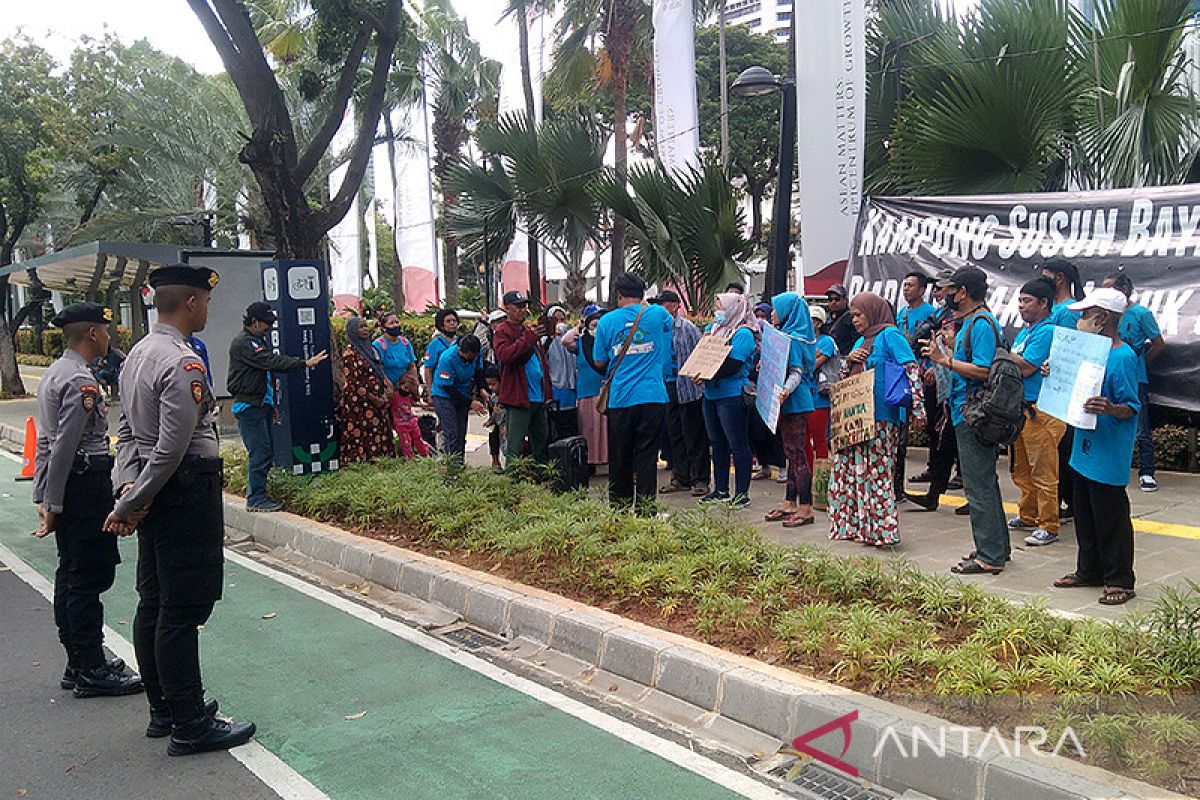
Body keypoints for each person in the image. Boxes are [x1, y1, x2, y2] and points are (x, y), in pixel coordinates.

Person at [104, 264, 256, 755]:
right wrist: (133, 500)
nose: (209, 309)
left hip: (155, 490)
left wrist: (129, 488)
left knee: (155, 600)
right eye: (207, 301)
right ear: (191, 302)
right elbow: (172, 448)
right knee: (182, 609)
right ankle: (189, 721)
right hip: (185, 489)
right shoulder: (182, 361)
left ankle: (164, 709)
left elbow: (128, 435)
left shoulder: (137, 356)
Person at [33, 303, 143, 699]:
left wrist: (44, 496)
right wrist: (55, 503)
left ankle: (77, 660)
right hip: (84, 483)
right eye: (106, 331)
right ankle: (91, 667)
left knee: (72, 573)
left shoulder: (56, 373)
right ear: (94, 333)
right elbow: (63, 447)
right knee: (87, 578)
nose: (110, 338)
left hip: (70, 484)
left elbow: (46, 447)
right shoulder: (80, 383)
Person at [1050, 287, 1141, 605]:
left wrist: (1110, 408)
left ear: (1102, 318)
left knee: (1111, 516)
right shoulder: (1089, 352)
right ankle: (1088, 570)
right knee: (1085, 513)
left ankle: (1120, 580)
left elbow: (1131, 406)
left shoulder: (1123, 357)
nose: (1080, 319)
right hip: (1083, 448)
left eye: (1086, 314)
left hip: (1107, 451)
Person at [922, 266, 1009, 574]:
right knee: (985, 482)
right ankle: (997, 547)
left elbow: (984, 370)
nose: (945, 294)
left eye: (951, 289)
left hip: (973, 414)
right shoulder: (971, 322)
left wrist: (945, 361)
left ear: (963, 292)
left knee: (978, 485)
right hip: (967, 410)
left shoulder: (981, 323)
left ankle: (989, 556)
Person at [828, 292, 922, 546]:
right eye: (853, 316)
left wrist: (918, 409)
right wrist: (850, 361)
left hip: (881, 416)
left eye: (859, 315)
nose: (855, 320)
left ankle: (882, 531)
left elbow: (911, 368)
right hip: (856, 417)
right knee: (853, 471)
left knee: (877, 473)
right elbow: (845, 378)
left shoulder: (890, 335)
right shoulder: (861, 341)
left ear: (873, 312)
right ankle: (859, 527)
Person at [227, 302, 328, 512]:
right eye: (266, 323)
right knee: (260, 453)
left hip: (260, 404)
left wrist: (271, 405)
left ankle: (259, 493)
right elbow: (271, 362)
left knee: (264, 452)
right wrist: (304, 364)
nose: (270, 327)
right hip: (249, 407)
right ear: (254, 322)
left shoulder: (256, 340)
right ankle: (256, 498)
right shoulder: (245, 343)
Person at [592, 273, 673, 507]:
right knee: (647, 457)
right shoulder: (657, 314)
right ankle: (646, 511)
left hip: (620, 400)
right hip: (653, 397)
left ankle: (620, 509)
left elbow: (598, 362)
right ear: (643, 293)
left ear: (618, 294)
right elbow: (670, 324)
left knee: (620, 458)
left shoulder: (607, 321)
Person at [1005, 277, 1065, 546]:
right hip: (1022, 408)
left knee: (1043, 470)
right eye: (1019, 301)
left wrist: (1004, 354)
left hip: (1041, 410)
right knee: (1021, 469)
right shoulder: (1026, 332)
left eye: (1027, 301)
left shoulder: (1047, 330)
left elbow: (1027, 366)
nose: (1021, 306)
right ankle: (1028, 514)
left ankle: (1048, 524)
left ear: (1044, 303)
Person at [1103, 272, 1166, 492]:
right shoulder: (1104, 315)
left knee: (1141, 426)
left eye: (1109, 289)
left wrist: (1138, 363)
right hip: (1107, 374)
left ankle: (1147, 471)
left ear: (1123, 290)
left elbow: (1158, 344)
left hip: (1135, 378)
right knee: (1109, 420)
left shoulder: (1141, 314)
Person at [906, 270, 964, 507]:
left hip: (964, 392)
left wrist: (941, 362)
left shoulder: (975, 319)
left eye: (942, 288)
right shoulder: (942, 314)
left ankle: (977, 499)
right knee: (942, 441)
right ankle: (933, 495)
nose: (938, 293)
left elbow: (969, 358)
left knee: (963, 447)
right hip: (947, 391)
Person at [697, 292, 758, 509]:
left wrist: (705, 373)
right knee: (717, 443)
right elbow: (701, 355)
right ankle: (721, 489)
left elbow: (733, 364)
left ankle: (742, 493)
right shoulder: (712, 330)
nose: (717, 311)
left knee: (738, 444)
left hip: (732, 395)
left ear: (733, 308)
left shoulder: (743, 334)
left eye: (720, 307)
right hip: (711, 394)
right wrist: (698, 369)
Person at [764, 292, 817, 527]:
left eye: (776, 309)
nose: (773, 313)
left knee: (797, 456)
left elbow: (797, 372)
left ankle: (805, 508)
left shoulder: (793, 340)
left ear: (787, 312)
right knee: (791, 455)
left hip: (794, 402)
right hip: (792, 402)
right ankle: (789, 504)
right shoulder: (795, 337)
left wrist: (785, 390)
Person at [655, 290, 710, 497]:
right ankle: (681, 477)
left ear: (675, 305)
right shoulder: (658, 329)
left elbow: (700, 353)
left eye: (664, 304)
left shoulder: (687, 328)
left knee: (694, 434)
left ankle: (700, 479)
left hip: (688, 387)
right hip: (666, 386)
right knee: (674, 434)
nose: (661, 308)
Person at [1044, 257, 1084, 521]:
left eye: (1045, 275)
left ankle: (1065, 500)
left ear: (1058, 278)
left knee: (1061, 447)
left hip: (1063, 390)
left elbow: (1069, 352)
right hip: (1052, 388)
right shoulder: (1057, 309)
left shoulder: (1068, 311)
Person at [492, 290, 552, 464]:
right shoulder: (502, 331)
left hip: (537, 396)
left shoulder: (527, 330)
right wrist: (529, 338)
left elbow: (542, 364)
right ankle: (514, 481)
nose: (523, 310)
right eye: (518, 306)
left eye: (524, 306)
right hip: (519, 397)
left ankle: (540, 476)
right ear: (507, 309)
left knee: (541, 441)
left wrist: (547, 393)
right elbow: (505, 355)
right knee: (515, 444)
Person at [337, 317, 396, 463]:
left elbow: (379, 372)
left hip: (378, 401)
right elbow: (354, 382)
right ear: (353, 331)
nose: (365, 329)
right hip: (360, 405)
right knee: (362, 436)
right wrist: (374, 399)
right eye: (361, 327)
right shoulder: (350, 355)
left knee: (379, 433)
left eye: (365, 326)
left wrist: (384, 392)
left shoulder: (371, 349)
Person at [562, 308, 608, 468]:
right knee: (588, 429)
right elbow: (565, 341)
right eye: (593, 325)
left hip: (604, 393)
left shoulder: (606, 344)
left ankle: (607, 460)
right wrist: (579, 327)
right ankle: (590, 461)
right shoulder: (581, 344)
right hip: (585, 393)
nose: (596, 329)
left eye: (599, 326)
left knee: (606, 430)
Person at [431, 334, 485, 461]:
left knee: (461, 433)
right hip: (444, 395)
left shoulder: (476, 354)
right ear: (460, 351)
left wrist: (482, 389)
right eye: (468, 357)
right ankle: (451, 465)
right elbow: (447, 387)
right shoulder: (448, 358)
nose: (470, 360)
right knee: (452, 433)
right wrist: (471, 402)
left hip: (463, 393)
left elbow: (478, 371)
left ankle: (459, 463)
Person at [805, 305, 835, 473]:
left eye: (813, 320)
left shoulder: (826, 341)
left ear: (819, 323)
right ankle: (808, 473)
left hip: (819, 396)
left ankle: (822, 476)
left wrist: (810, 357)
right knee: (804, 439)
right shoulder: (804, 340)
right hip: (804, 396)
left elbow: (811, 366)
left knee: (819, 439)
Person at [543, 315, 579, 442]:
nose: (560, 325)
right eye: (556, 321)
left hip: (572, 387)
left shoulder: (573, 342)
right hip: (555, 387)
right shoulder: (545, 342)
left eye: (562, 320)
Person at [422, 308, 460, 401]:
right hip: (440, 391)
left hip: (459, 391)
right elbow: (428, 370)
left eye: (454, 321)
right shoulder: (435, 344)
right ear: (441, 325)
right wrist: (430, 392)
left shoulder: (460, 342)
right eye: (448, 321)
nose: (452, 323)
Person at [373, 311, 417, 388]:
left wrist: (414, 382)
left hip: (404, 389)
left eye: (397, 322)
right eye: (391, 323)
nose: (395, 325)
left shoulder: (405, 342)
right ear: (383, 328)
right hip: (387, 389)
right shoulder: (378, 345)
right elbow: (378, 369)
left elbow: (412, 366)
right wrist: (388, 385)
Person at [392, 371, 430, 459]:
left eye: (409, 389)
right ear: (399, 385)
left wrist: (422, 405)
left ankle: (424, 454)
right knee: (406, 442)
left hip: (412, 422)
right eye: (405, 388)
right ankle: (409, 458)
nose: (406, 390)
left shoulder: (408, 396)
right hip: (401, 424)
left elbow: (412, 403)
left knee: (418, 438)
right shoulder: (394, 396)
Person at [481, 365, 505, 471]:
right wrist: (491, 420)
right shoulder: (493, 398)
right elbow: (496, 411)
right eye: (488, 385)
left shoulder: (507, 397)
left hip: (507, 426)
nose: (491, 388)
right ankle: (495, 462)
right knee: (494, 436)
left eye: (493, 384)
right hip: (499, 426)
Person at [826, 283, 858, 356]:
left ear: (845, 300)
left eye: (837, 299)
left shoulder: (853, 318)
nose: (833, 302)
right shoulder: (827, 319)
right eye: (830, 299)